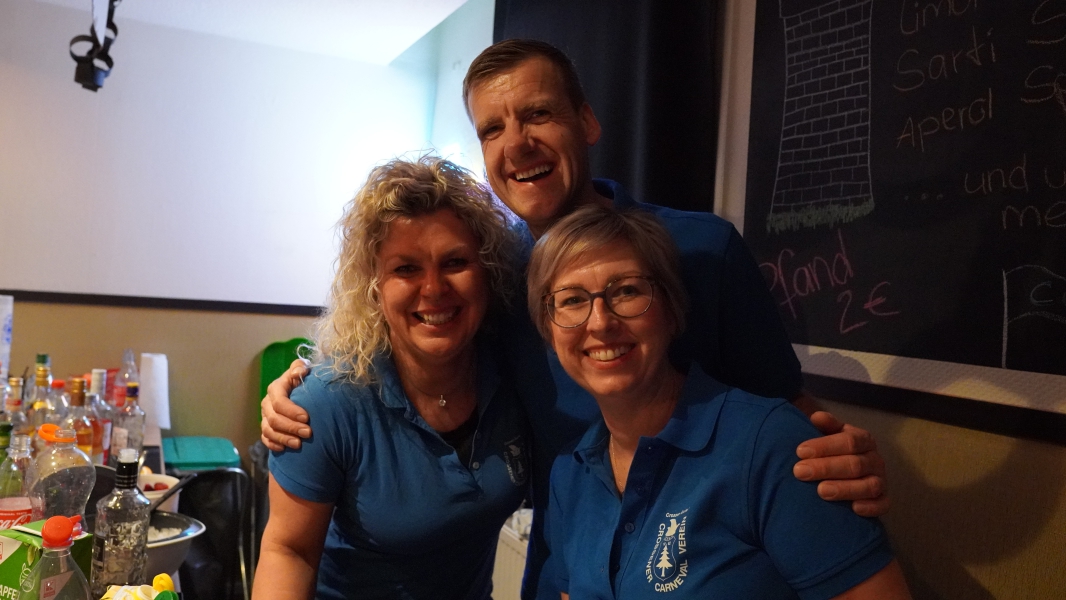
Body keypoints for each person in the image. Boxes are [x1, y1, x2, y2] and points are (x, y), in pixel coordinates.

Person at [261, 39, 889, 599]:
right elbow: (416, 337)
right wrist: (302, 386)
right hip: (572, 560)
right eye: (492, 128)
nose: (517, 143)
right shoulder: (499, 277)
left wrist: (837, 458)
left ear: (586, 121)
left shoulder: (702, 250)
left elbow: (785, 409)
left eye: (538, 113)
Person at [530, 203, 911, 599]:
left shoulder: (770, 446)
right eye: (571, 300)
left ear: (671, 310)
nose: (600, 322)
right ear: (549, 332)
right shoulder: (569, 475)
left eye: (626, 290)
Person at [253, 156, 529, 599]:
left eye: (455, 261)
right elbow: (289, 552)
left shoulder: (517, 372)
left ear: (488, 271)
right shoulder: (327, 403)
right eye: (406, 268)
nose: (434, 288)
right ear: (374, 286)